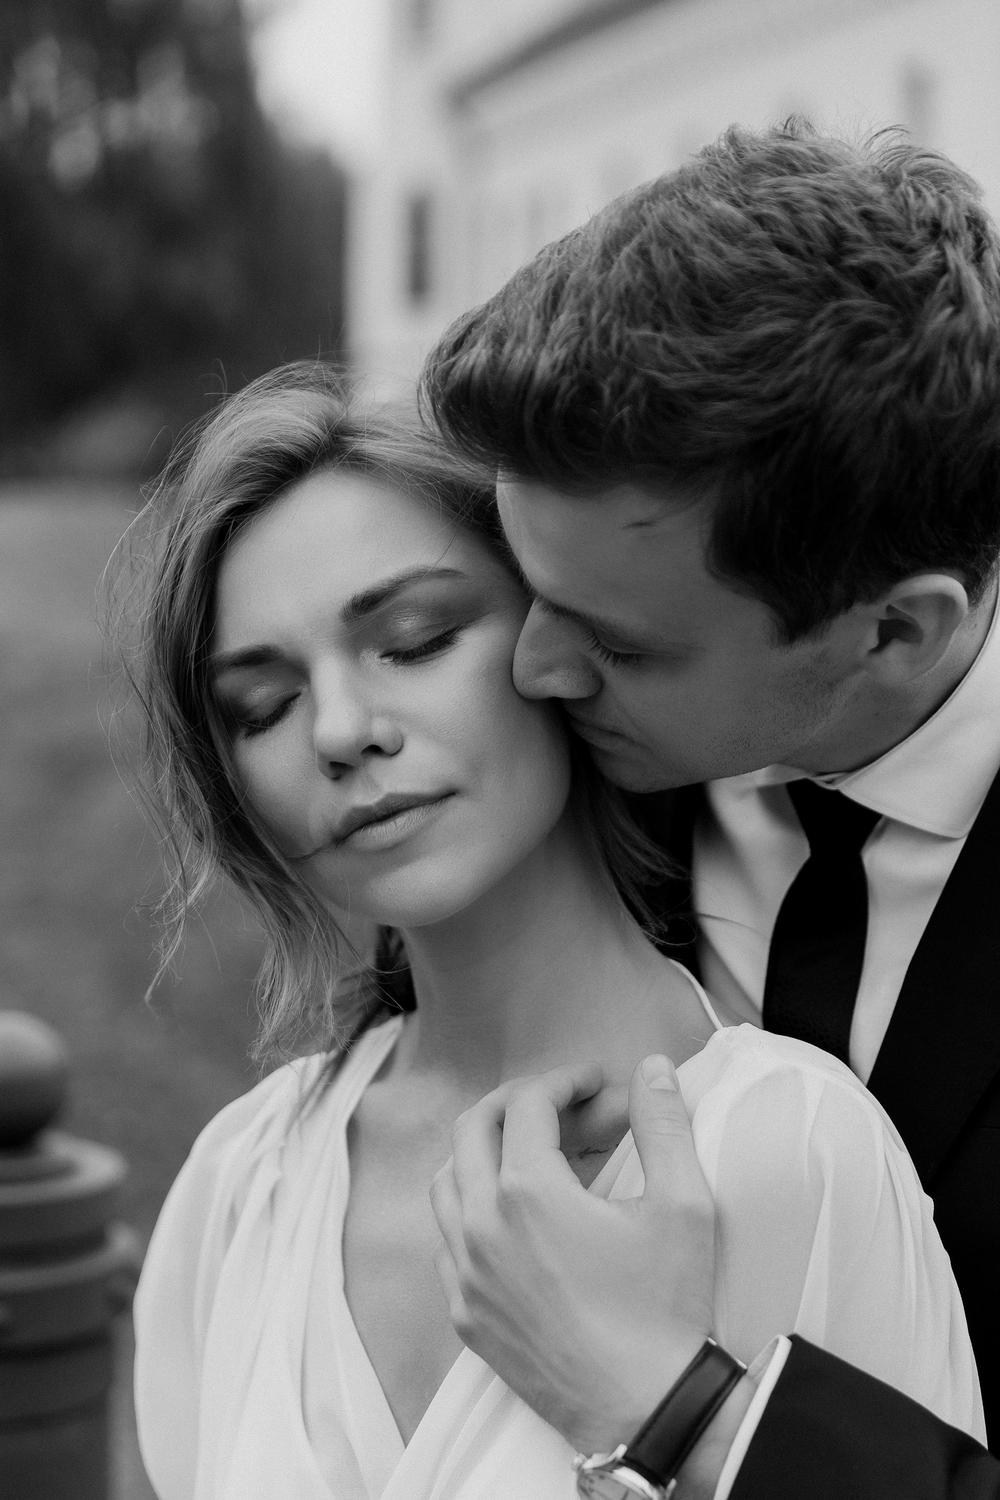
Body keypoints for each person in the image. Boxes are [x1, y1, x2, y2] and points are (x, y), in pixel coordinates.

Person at [123, 364, 981, 1500]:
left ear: (558, 647)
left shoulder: (792, 1148)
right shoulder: (239, 1189)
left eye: (415, 639)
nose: (337, 730)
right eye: (262, 705)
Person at [418, 119, 1000, 1496]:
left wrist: (687, 1414)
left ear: (894, 635)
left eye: (619, 646)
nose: (530, 670)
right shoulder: (547, 803)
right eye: (524, 587)